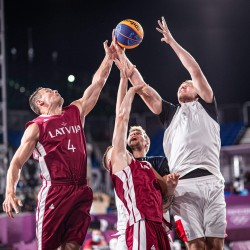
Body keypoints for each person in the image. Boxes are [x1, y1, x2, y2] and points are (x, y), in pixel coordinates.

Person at [116, 16, 227, 249]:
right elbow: (143, 88)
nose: (182, 86)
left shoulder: (207, 105)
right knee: (196, 245)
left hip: (212, 181)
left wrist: (172, 42)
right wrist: (122, 54)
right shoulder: (170, 114)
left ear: (198, 92)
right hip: (183, 185)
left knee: (216, 245)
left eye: (187, 85)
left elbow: (193, 69)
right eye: (179, 86)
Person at [2, 37, 116, 250]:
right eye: (48, 91)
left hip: (81, 188)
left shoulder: (75, 111)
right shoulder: (36, 126)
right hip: (56, 191)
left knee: (73, 246)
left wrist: (108, 58)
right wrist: (10, 191)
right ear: (40, 102)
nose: (54, 90)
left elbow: (97, 83)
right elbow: (16, 162)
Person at [102, 57, 179, 250]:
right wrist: (125, 82)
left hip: (159, 224)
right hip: (132, 224)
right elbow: (121, 118)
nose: (133, 133)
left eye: (139, 132)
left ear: (147, 142)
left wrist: (169, 187)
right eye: (131, 133)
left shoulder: (153, 163)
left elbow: (168, 194)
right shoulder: (123, 161)